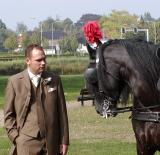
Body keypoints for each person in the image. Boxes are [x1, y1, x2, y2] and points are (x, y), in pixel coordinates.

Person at [4, 44, 69, 155]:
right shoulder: (14, 82)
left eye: (44, 59)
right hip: (26, 143)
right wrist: (16, 138)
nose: (43, 63)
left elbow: (62, 113)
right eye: (39, 60)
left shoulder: (55, 80)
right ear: (28, 61)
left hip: (52, 142)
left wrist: (64, 140)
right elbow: (8, 115)